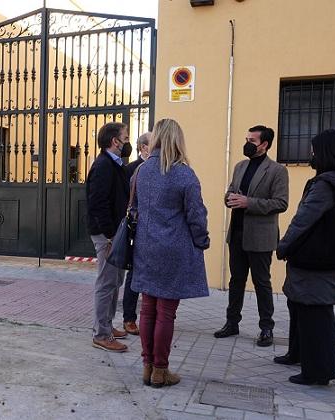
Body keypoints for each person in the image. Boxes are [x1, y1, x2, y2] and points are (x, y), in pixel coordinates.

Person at [275, 129, 335, 385]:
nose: (311, 154)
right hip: (331, 255)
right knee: (302, 306)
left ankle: (317, 372)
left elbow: (303, 220)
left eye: (314, 150)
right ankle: (298, 354)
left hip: (314, 257)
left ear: (325, 152)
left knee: (314, 312)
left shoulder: (325, 185)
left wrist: (284, 245)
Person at [131, 118, 210, 387]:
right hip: (174, 248)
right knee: (166, 312)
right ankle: (161, 370)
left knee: (148, 309)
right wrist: (202, 240)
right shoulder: (184, 174)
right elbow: (196, 215)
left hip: (145, 246)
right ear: (178, 140)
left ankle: (147, 366)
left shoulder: (142, 171)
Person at [214, 125, 289, 347]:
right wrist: (229, 198)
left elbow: (281, 203)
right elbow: (229, 192)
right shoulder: (240, 166)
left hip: (260, 237)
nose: (247, 143)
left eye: (252, 141)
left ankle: (266, 328)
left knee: (261, 283)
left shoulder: (277, 170)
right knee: (236, 281)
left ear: (264, 144)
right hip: (236, 233)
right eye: (246, 139)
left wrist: (249, 202)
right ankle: (231, 323)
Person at [86, 122, 132, 352]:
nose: (127, 142)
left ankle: (107, 325)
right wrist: (111, 234)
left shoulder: (115, 164)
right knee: (106, 282)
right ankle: (101, 334)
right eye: (125, 137)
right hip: (108, 234)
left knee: (116, 281)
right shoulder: (103, 165)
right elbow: (97, 203)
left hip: (116, 233)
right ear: (115, 141)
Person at [121, 131, 151, 336]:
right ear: (143, 147)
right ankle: (129, 318)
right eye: (153, 143)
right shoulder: (131, 169)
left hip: (154, 231)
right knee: (134, 273)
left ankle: (152, 316)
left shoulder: (161, 169)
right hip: (137, 228)